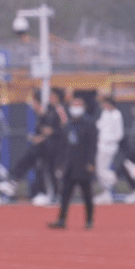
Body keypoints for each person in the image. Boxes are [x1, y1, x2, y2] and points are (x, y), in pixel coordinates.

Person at [49, 96, 98, 229]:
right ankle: (61, 219)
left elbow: (93, 145)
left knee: (87, 194)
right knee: (65, 194)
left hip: (84, 165)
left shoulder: (89, 123)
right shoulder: (68, 125)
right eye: (73, 105)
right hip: (70, 165)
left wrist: (91, 162)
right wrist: (60, 163)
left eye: (78, 105)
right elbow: (63, 146)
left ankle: (89, 220)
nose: (75, 108)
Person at [92, 94, 126, 204]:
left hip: (109, 148)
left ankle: (112, 178)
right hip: (101, 146)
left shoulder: (117, 115)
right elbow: (100, 126)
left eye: (105, 103)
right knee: (99, 170)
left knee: (103, 170)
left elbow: (119, 135)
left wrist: (105, 139)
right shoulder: (105, 113)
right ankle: (106, 193)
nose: (103, 105)